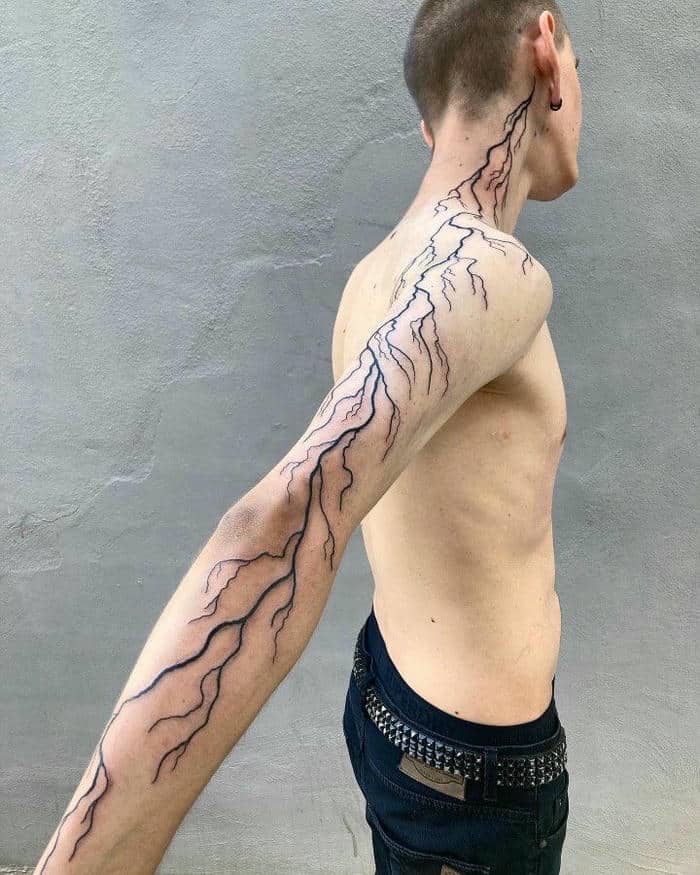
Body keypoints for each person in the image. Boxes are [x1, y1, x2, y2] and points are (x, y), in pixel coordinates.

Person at [35, 2, 582, 873]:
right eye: (581, 68)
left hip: (396, 706)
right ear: (546, 47)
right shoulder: (487, 268)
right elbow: (284, 520)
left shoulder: (375, 276)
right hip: (471, 787)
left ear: (427, 125)